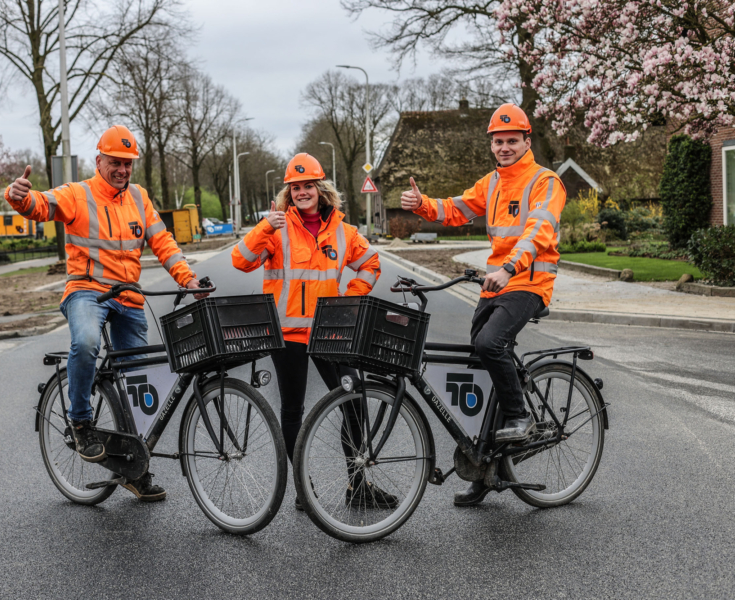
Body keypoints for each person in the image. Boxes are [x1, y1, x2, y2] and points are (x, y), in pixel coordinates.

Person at [5, 125, 208, 502]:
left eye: (128, 164)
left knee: (137, 383)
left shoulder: (139, 198)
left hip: (128, 297)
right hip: (87, 292)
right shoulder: (78, 194)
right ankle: (81, 421)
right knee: (85, 342)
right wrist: (18, 198)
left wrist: (189, 279)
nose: (122, 170)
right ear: (99, 161)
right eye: (115, 162)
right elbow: (42, 205)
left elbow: (163, 242)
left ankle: (133, 468)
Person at [401, 104, 566, 506]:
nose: (505, 147)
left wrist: (511, 266)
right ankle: (485, 466)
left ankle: (519, 417)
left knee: (490, 344)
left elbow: (539, 231)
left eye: (512, 141)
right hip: (496, 284)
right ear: (491, 145)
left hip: (528, 282)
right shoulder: (492, 183)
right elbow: (456, 209)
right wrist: (423, 203)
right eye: (498, 141)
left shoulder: (545, 182)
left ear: (527, 141)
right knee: (480, 361)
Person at [232, 152, 396, 511]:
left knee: (355, 402)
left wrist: (348, 301)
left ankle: (358, 486)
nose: (302, 192)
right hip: (287, 334)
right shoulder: (275, 229)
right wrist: (263, 228)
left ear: (321, 190)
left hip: (328, 332)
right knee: (294, 410)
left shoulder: (343, 230)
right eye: (295, 187)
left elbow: (370, 263)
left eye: (308, 186)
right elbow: (240, 261)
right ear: (288, 192)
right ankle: (303, 489)